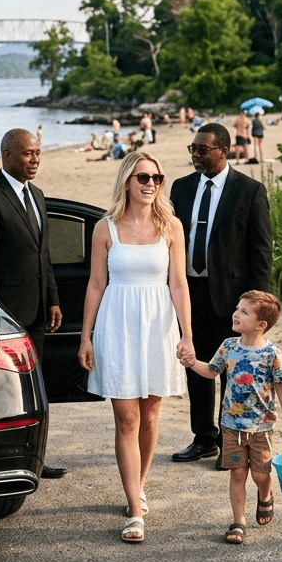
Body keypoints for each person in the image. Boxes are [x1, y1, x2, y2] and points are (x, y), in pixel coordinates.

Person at [79, 151, 193, 542]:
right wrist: (85, 335)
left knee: (150, 415)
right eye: (143, 177)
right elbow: (95, 284)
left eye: (157, 178)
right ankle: (133, 508)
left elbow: (178, 283)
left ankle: (138, 485)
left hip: (158, 325)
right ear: (127, 180)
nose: (151, 184)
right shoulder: (104, 228)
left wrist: (187, 334)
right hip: (118, 324)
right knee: (126, 418)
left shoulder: (171, 226)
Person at [170, 123, 272, 466]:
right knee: (196, 367)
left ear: (224, 151)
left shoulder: (250, 190)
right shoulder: (181, 189)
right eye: (193, 149)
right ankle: (204, 438)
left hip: (233, 299)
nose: (196, 155)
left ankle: (232, 444)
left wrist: (258, 308)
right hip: (189, 293)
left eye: (203, 149)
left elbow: (261, 253)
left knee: (234, 372)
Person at [0, 129, 66, 478]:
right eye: (28, 154)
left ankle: (34, 457)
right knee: (6, 392)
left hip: (37, 312)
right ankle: (5, 459)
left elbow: (44, 255)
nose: (35, 159)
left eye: (38, 153)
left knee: (35, 389)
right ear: (7, 156)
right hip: (7, 315)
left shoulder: (37, 196)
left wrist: (52, 299)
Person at [181, 291, 282, 544]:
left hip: (261, 427)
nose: (236, 314)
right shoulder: (228, 346)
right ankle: (238, 522)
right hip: (231, 426)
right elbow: (211, 372)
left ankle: (265, 495)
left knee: (260, 474)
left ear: (261, 325)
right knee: (237, 473)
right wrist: (191, 363)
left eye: (244, 312)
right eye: (237, 308)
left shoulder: (271, 354)